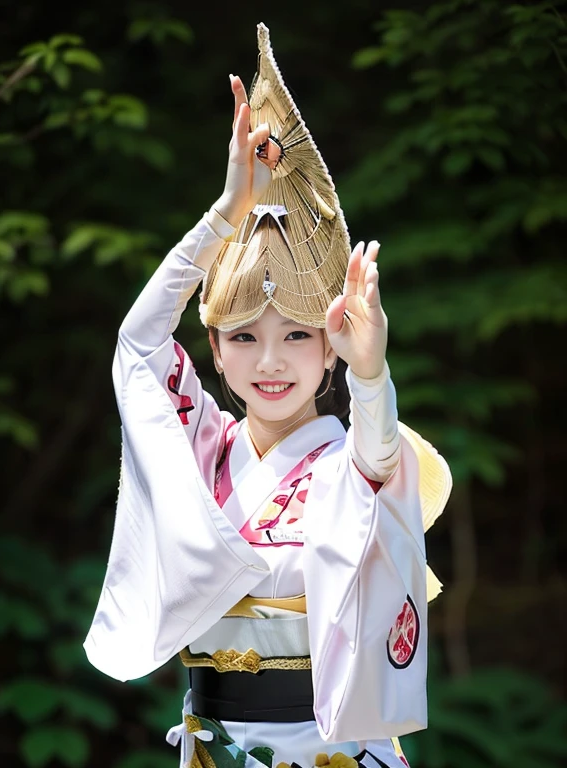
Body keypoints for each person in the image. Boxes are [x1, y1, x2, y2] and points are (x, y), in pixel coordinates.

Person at [84, 23, 452, 768]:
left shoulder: (352, 464)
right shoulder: (204, 448)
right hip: (212, 745)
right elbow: (138, 344)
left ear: (329, 347)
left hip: (331, 750)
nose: (271, 361)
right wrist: (226, 212)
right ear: (214, 351)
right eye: (245, 337)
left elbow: (379, 452)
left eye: (296, 336)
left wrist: (371, 374)